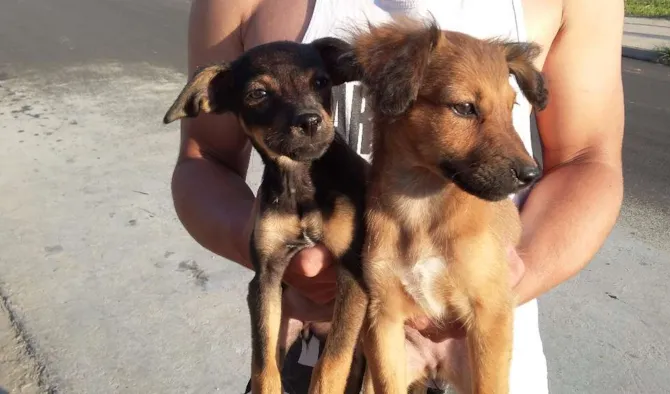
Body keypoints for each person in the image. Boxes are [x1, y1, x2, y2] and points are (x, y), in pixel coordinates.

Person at [170, 0, 625, 392]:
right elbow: (204, 154)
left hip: (481, 354)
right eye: (465, 109)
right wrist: (266, 248)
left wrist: (512, 280)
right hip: (309, 354)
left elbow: (589, 158)